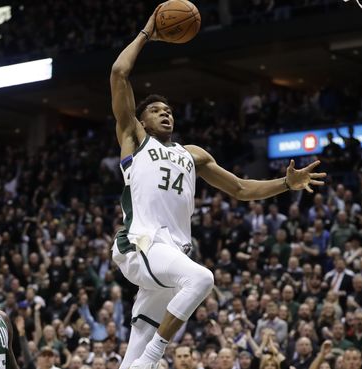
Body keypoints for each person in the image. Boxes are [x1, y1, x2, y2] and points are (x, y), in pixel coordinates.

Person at [108, 7, 326, 369]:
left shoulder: (193, 154)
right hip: (142, 243)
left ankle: (143, 358)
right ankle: (155, 357)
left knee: (136, 352)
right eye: (157, 110)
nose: (166, 114)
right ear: (141, 119)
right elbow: (119, 72)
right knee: (201, 278)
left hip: (171, 254)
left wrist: (286, 183)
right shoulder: (135, 138)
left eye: (170, 111)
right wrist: (148, 31)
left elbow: (241, 189)